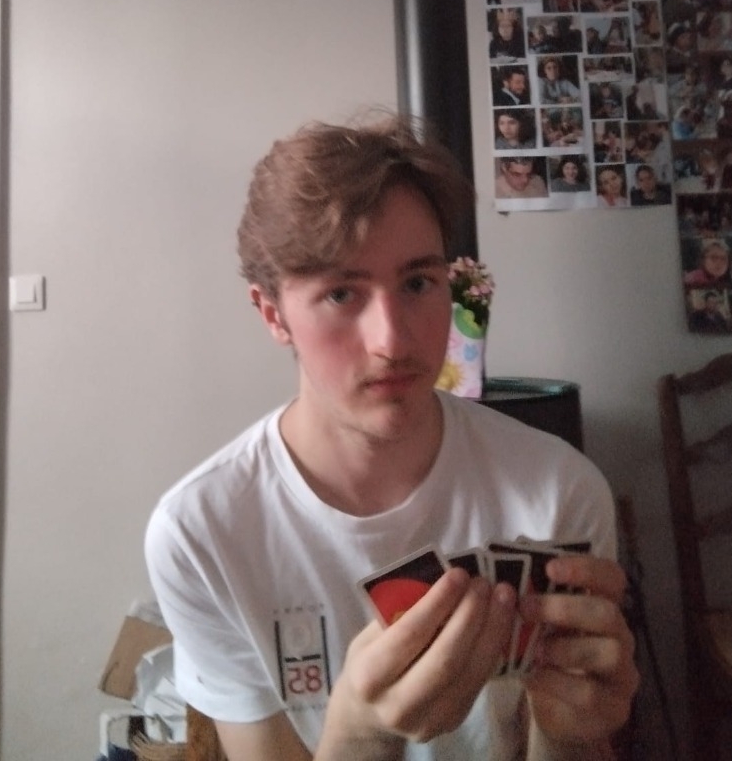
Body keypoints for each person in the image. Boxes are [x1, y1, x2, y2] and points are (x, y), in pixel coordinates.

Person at [145, 115, 636, 760]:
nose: (393, 340)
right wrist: (358, 735)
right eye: (341, 294)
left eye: (417, 283)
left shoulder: (560, 490)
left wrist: (573, 736)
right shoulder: (202, 531)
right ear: (273, 314)